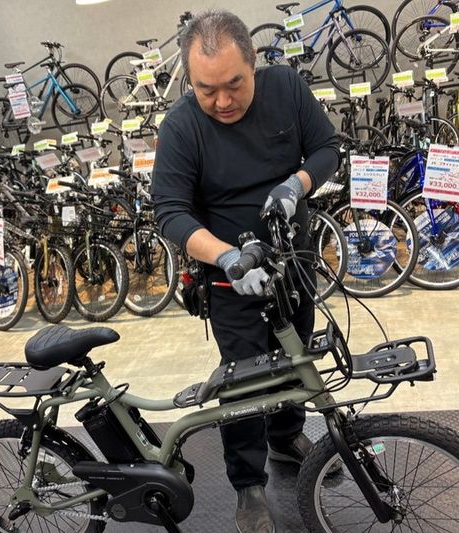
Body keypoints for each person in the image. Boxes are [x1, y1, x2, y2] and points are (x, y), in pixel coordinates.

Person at [151, 10, 340, 533]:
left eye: (234, 84)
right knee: (245, 380)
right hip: (230, 277)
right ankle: (248, 484)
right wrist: (226, 257)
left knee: (295, 356)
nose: (222, 101)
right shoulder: (182, 126)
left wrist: (297, 184)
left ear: (254, 62)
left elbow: (327, 148)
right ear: (190, 81)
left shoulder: (286, 88)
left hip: (294, 262)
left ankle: (286, 437)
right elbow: (169, 210)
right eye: (206, 90)